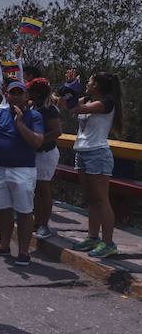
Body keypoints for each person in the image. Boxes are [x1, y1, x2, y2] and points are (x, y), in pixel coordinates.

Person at [0, 81, 44, 266]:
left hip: (23, 170)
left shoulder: (34, 116)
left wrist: (19, 123)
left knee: (24, 211)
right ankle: (3, 245)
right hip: (0, 168)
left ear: (26, 96)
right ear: (6, 96)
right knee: (3, 208)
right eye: (12, 93)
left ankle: (24, 252)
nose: (15, 96)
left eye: (19, 93)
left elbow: (37, 142)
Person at [68, 73, 123, 258]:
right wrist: (67, 88)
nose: (87, 84)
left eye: (90, 81)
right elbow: (64, 104)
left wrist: (72, 89)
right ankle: (92, 237)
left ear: (97, 85)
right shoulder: (90, 99)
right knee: (91, 198)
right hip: (82, 151)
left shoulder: (106, 103)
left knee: (101, 199)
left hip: (97, 153)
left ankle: (108, 243)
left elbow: (77, 108)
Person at [27, 78, 61, 240]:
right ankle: (37, 221)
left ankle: (44, 224)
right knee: (36, 190)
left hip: (46, 153)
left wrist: (39, 140)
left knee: (43, 189)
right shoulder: (34, 106)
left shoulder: (49, 109)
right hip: (35, 153)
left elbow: (56, 131)